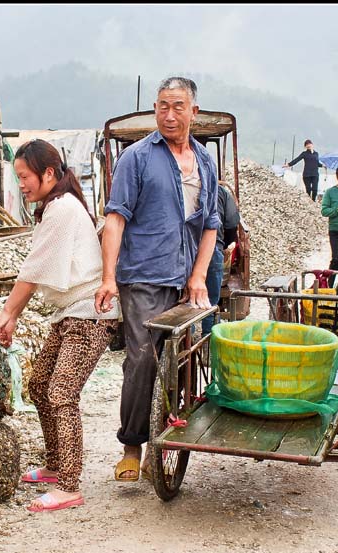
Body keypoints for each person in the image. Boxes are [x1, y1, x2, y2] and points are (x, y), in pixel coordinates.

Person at [94, 76, 221, 481]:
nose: (169, 115)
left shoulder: (203, 161)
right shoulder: (137, 157)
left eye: (177, 107)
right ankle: (132, 445)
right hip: (144, 277)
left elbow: (211, 226)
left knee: (184, 361)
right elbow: (116, 218)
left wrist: (199, 276)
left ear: (193, 112)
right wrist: (108, 277)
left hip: (185, 279)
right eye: (162, 106)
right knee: (143, 360)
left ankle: (165, 440)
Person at [0, 140, 120, 512]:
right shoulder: (54, 207)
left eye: (25, 177)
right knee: (39, 383)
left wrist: (10, 313)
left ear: (49, 174)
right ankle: (54, 464)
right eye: (18, 178)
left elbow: (33, 268)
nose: (22, 185)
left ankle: (68, 484)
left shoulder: (62, 209)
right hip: (69, 314)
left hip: (90, 315)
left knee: (61, 392)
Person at [200, 180, 241, 337]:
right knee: (210, 302)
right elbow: (231, 224)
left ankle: (186, 341)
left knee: (183, 302)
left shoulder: (184, 186)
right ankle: (209, 341)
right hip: (213, 250)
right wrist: (226, 244)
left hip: (187, 251)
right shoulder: (222, 192)